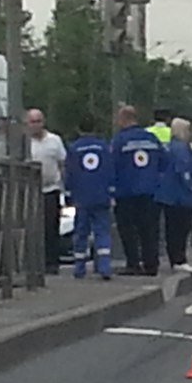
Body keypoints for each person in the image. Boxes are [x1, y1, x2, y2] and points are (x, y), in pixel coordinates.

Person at [110, 105, 167, 276]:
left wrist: (112, 189)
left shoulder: (119, 140)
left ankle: (133, 263)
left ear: (123, 119)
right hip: (151, 191)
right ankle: (151, 264)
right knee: (150, 229)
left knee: (128, 229)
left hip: (126, 192)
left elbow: (112, 165)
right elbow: (164, 162)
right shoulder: (151, 138)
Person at [156, 117, 192, 274]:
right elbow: (184, 169)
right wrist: (191, 187)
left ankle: (176, 259)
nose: (190, 133)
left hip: (170, 195)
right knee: (181, 228)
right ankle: (179, 259)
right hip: (181, 196)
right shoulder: (181, 149)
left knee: (172, 228)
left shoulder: (170, 147)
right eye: (188, 130)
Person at [66, 118, 115, 280]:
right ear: (95, 128)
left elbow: (70, 173)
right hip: (101, 195)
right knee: (102, 231)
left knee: (81, 232)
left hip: (82, 196)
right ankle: (104, 267)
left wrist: (69, 193)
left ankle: (79, 267)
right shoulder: (104, 147)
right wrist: (111, 191)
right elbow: (110, 170)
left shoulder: (74, 148)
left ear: (78, 129)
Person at [26, 109, 66, 275]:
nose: (36, 125)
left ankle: (52, 263)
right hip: (30, 192)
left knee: (51, 227)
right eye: (32, 122)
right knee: (32, 228)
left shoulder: (54, 140)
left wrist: (63, 186)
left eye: (39, 121)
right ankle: (33, 262)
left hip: (51, 190)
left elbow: (62, 163)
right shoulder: (25, 143)